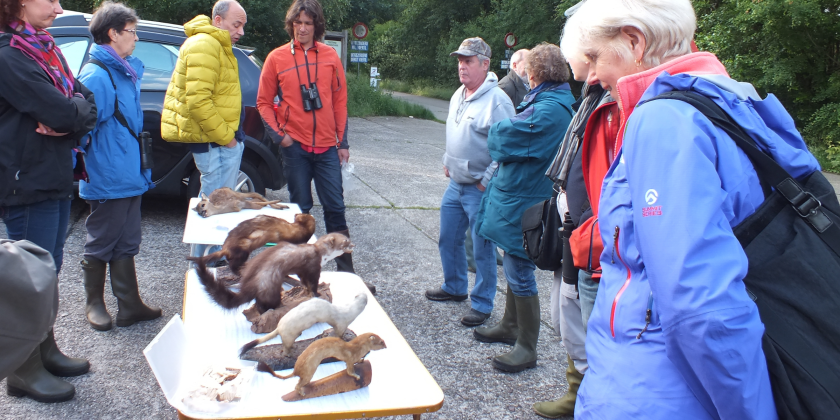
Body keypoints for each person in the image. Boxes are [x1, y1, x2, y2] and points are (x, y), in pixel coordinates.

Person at [561, 0, 821, 418]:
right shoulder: (735, 101)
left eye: (593, 58)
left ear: (633, 40)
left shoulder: (664, 121)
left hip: (659, 392)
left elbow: (701, 305)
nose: (589, 77)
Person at [0, 0, 97, 403]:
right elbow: (61, 110)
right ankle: (22, 371)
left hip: (54, 173)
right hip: (26, 181)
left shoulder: (47, 49)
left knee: (49, 270)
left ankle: (46, 350)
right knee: (26, 282)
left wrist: (72, 113)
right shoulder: (9, 55)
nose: (59, 8)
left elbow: (86, 104)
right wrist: (71, 113)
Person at [257, 0, 375, 293]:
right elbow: (263, 102)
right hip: (294, 147)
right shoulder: (277, 58)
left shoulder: (330, 58)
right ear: (291, 25)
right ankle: (300, 277)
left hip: (326, 149)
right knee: (301, 211)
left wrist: (342, 141)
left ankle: (348, 276)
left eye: (308, 23)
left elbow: (339, 101)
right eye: (298, 23)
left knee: (336, 209)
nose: (302, 28)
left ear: (317, 26)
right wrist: (279, 135)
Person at [472, 43, 575, 371]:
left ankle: (526, 346)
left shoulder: (549, 109)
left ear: (537, 74)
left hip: (524, 201)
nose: (526, 77)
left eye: (529, 71)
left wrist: (498, 131)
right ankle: (510, 326)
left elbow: (501, 139)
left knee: (519, 268)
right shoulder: (550, 102)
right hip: (522, 196)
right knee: (515, 263)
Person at [532, 61, 614, 419]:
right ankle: (577, 389)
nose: (583, 61)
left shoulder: (617, 100)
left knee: (579, 314)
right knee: (564, 311)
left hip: (589, 230)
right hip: (573, 221)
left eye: (593, 54)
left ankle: (585, 395)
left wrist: (583, 220)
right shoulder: (592, 95)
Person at [77, 1, 161, 332]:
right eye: (132, 31)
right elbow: (81, 130)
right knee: (102, 239)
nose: (136, 38)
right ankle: (94, 304)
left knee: (127, 240)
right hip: (108, 176)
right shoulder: (96, 75)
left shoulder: (122, 70)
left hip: (129, 173)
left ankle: (129, 306)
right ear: (113, 33)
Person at [424, 37, 514, 327]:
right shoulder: (457, 94)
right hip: (456, 185)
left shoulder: (498, 101)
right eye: (460, 61)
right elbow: (455, 133)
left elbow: (507, 148)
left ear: (485, 64)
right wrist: (447, 160)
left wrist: (485, 182)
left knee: (482, 248)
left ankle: (483, 304)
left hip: (479, 189)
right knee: (448, 239)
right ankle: (454, 287)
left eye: (468, 61)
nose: (462, 66)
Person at [161, 0, 246, 198]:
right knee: (216, 206)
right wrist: (228, 139)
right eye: (236, 24)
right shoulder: (206, 44)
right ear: (218, 20)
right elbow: (198, 102)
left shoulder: (213, 44)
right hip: (216, 143)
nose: (241, 32)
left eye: (243, 26)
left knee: (216, 204)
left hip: (217, 141)